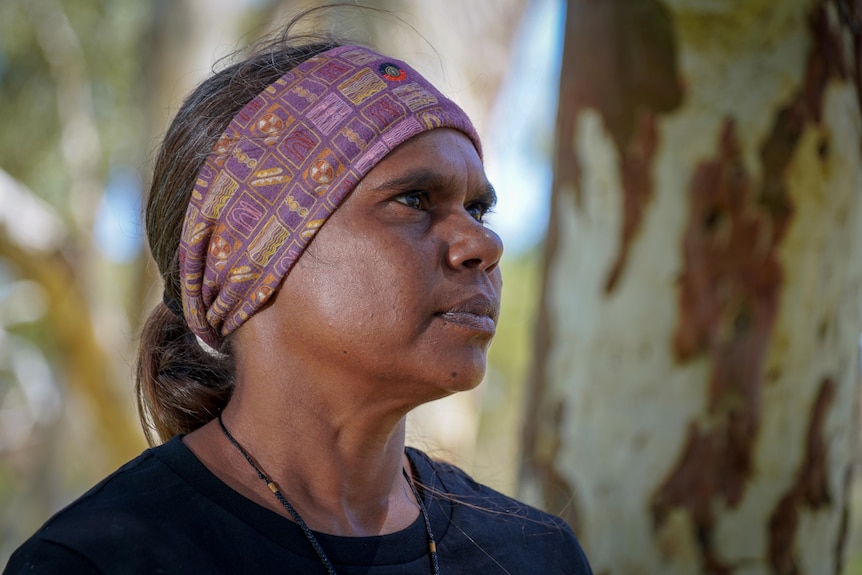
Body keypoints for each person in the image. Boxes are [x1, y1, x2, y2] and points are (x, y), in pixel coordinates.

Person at [5, 17, 593, 575]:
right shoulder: (98, 559)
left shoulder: (533, 554)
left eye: (478, 208)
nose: (482, 242)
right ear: (251, 256)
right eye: (414, 200)